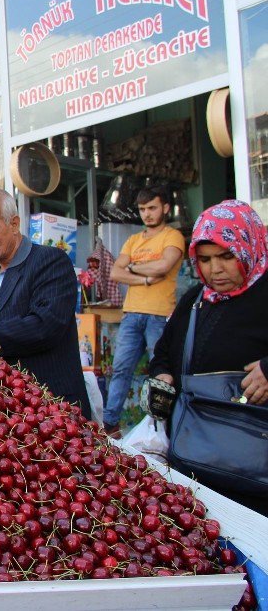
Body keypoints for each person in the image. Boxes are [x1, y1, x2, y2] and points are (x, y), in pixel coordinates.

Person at [148, 200, 268, 514]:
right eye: (205, 259)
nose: (215, 270)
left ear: (248, 246)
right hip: (198, 466)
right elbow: (163, 353)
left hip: (257, 475)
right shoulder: (195, 299)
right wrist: (163, 376)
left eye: (226, 256)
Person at [0, 188, 90, 414]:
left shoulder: (50, 261)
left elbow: (45, 325)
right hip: (6, 413)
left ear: (14, 224)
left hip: (53, 410)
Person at [104, 185, 186, 437]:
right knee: (120, 370)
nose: (147, 214)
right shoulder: (133, 239)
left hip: (160, 315)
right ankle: (110, 425)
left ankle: (162, 428)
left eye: (152, 208)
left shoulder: (173, 236)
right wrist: (146, 278)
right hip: (132, 313)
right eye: (142, 209)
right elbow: (115, 272)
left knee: (161, 374)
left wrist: (135, 267)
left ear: (165, 208)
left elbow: (164, 266)